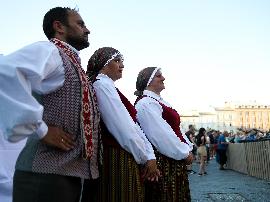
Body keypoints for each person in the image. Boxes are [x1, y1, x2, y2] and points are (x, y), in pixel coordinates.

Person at [0, 7, 100, 202]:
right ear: (59, 26)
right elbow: (6, 72)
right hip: (43, 176)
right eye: (80, 24)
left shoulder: (71, 61)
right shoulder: (50, 50)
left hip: (67, 174)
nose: (87, 30)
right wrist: (41, 129)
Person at [86, 47, 160, 202]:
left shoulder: (107, 85)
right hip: (119, 155)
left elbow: (130, 125)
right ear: (104, 64)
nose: (122, 65)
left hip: (124, 152)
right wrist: (145, 157)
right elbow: (124, 128)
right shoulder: (102, 85)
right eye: (117, 61)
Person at [134, 67, 193, 202]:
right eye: (158, 76)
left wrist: (188, 147)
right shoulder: (145, 103)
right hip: (164, 160)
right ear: (148, 81)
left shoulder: (157, 101)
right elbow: (161, 136)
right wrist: (184, 152)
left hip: (171, 158)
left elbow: (176, 129)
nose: (163, 78)